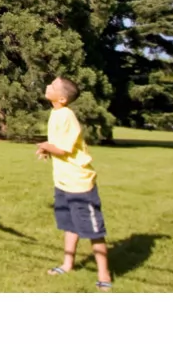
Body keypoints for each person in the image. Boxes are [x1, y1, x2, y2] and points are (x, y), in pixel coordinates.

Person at [35, 76, 112, 291]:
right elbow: (58, 146)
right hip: (63, 183)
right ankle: (67, 264)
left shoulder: (67, 115)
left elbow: (64, 149)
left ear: (61, 98)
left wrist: (44, 145)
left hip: (80, 184)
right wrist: (47, 149)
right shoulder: (56, 113)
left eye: (51, 85)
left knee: (94, 231)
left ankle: (104, 274)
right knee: (70, 226)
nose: (46, 86)